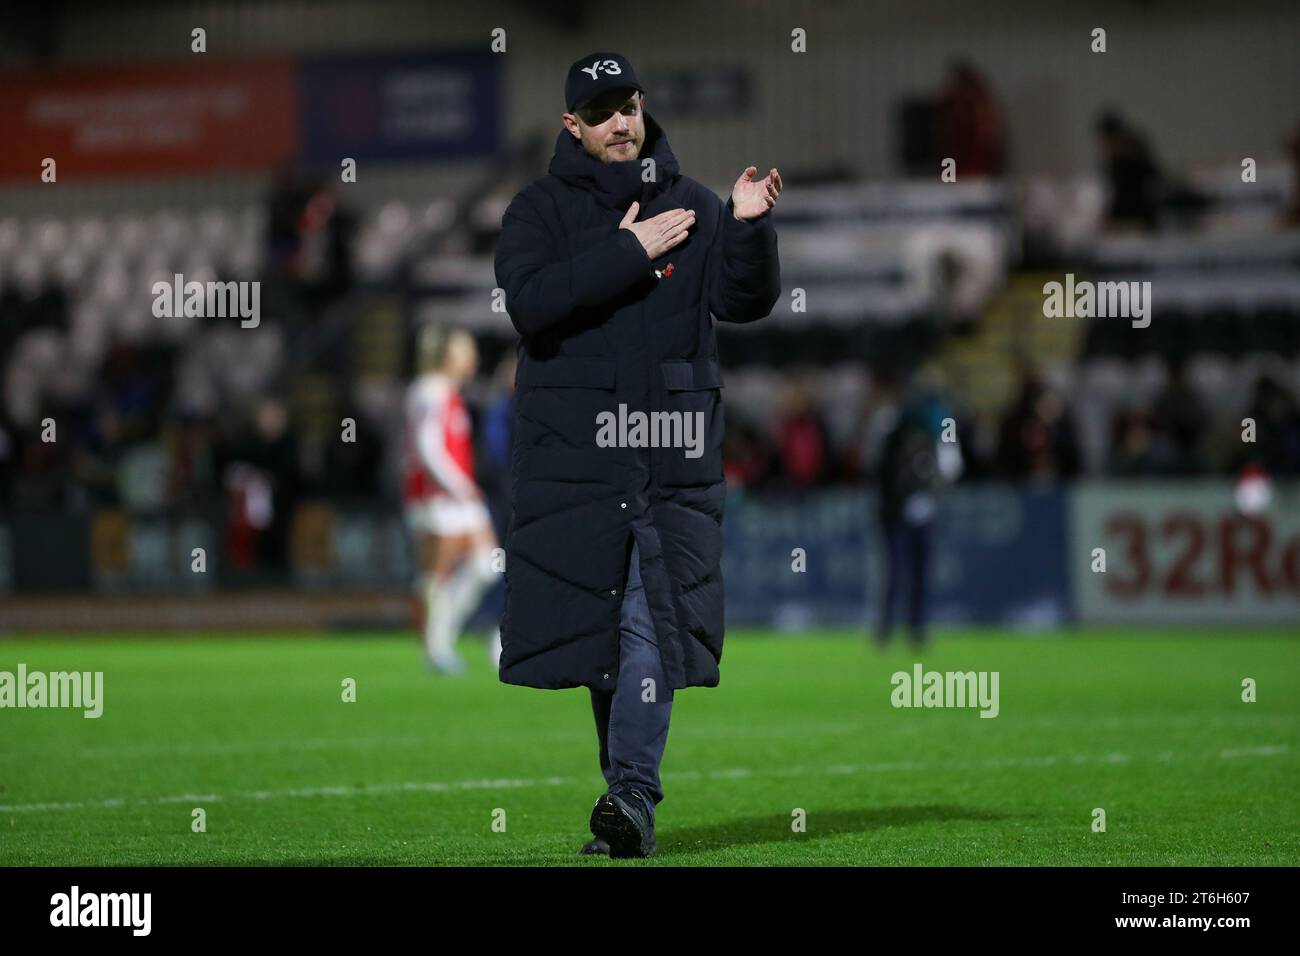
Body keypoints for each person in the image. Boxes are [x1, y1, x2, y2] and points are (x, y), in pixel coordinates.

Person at [493, 51, 782, 857]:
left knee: (647, 617)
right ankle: (626, 799)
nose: (622, 121)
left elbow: (743, 301)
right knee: (601, 639)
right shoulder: (538, 211)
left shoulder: (696, 205)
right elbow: (530, 304)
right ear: (572, 126)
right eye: (602, 110)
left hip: (668, 455)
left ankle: (631, 794)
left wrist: (751, 227)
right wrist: (629, 252)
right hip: (575, 461)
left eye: (630, 105)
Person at [402, 325, 501, 675]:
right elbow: (428, 448)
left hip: (457, 495)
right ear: (447, 355)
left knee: (486, 564)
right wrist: (459, 486)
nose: (472, 357)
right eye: (465, 350)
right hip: (437, 498)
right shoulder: (429, 391)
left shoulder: (448, 392)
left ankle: (446, 635)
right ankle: (435, 647)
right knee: (436, 574)